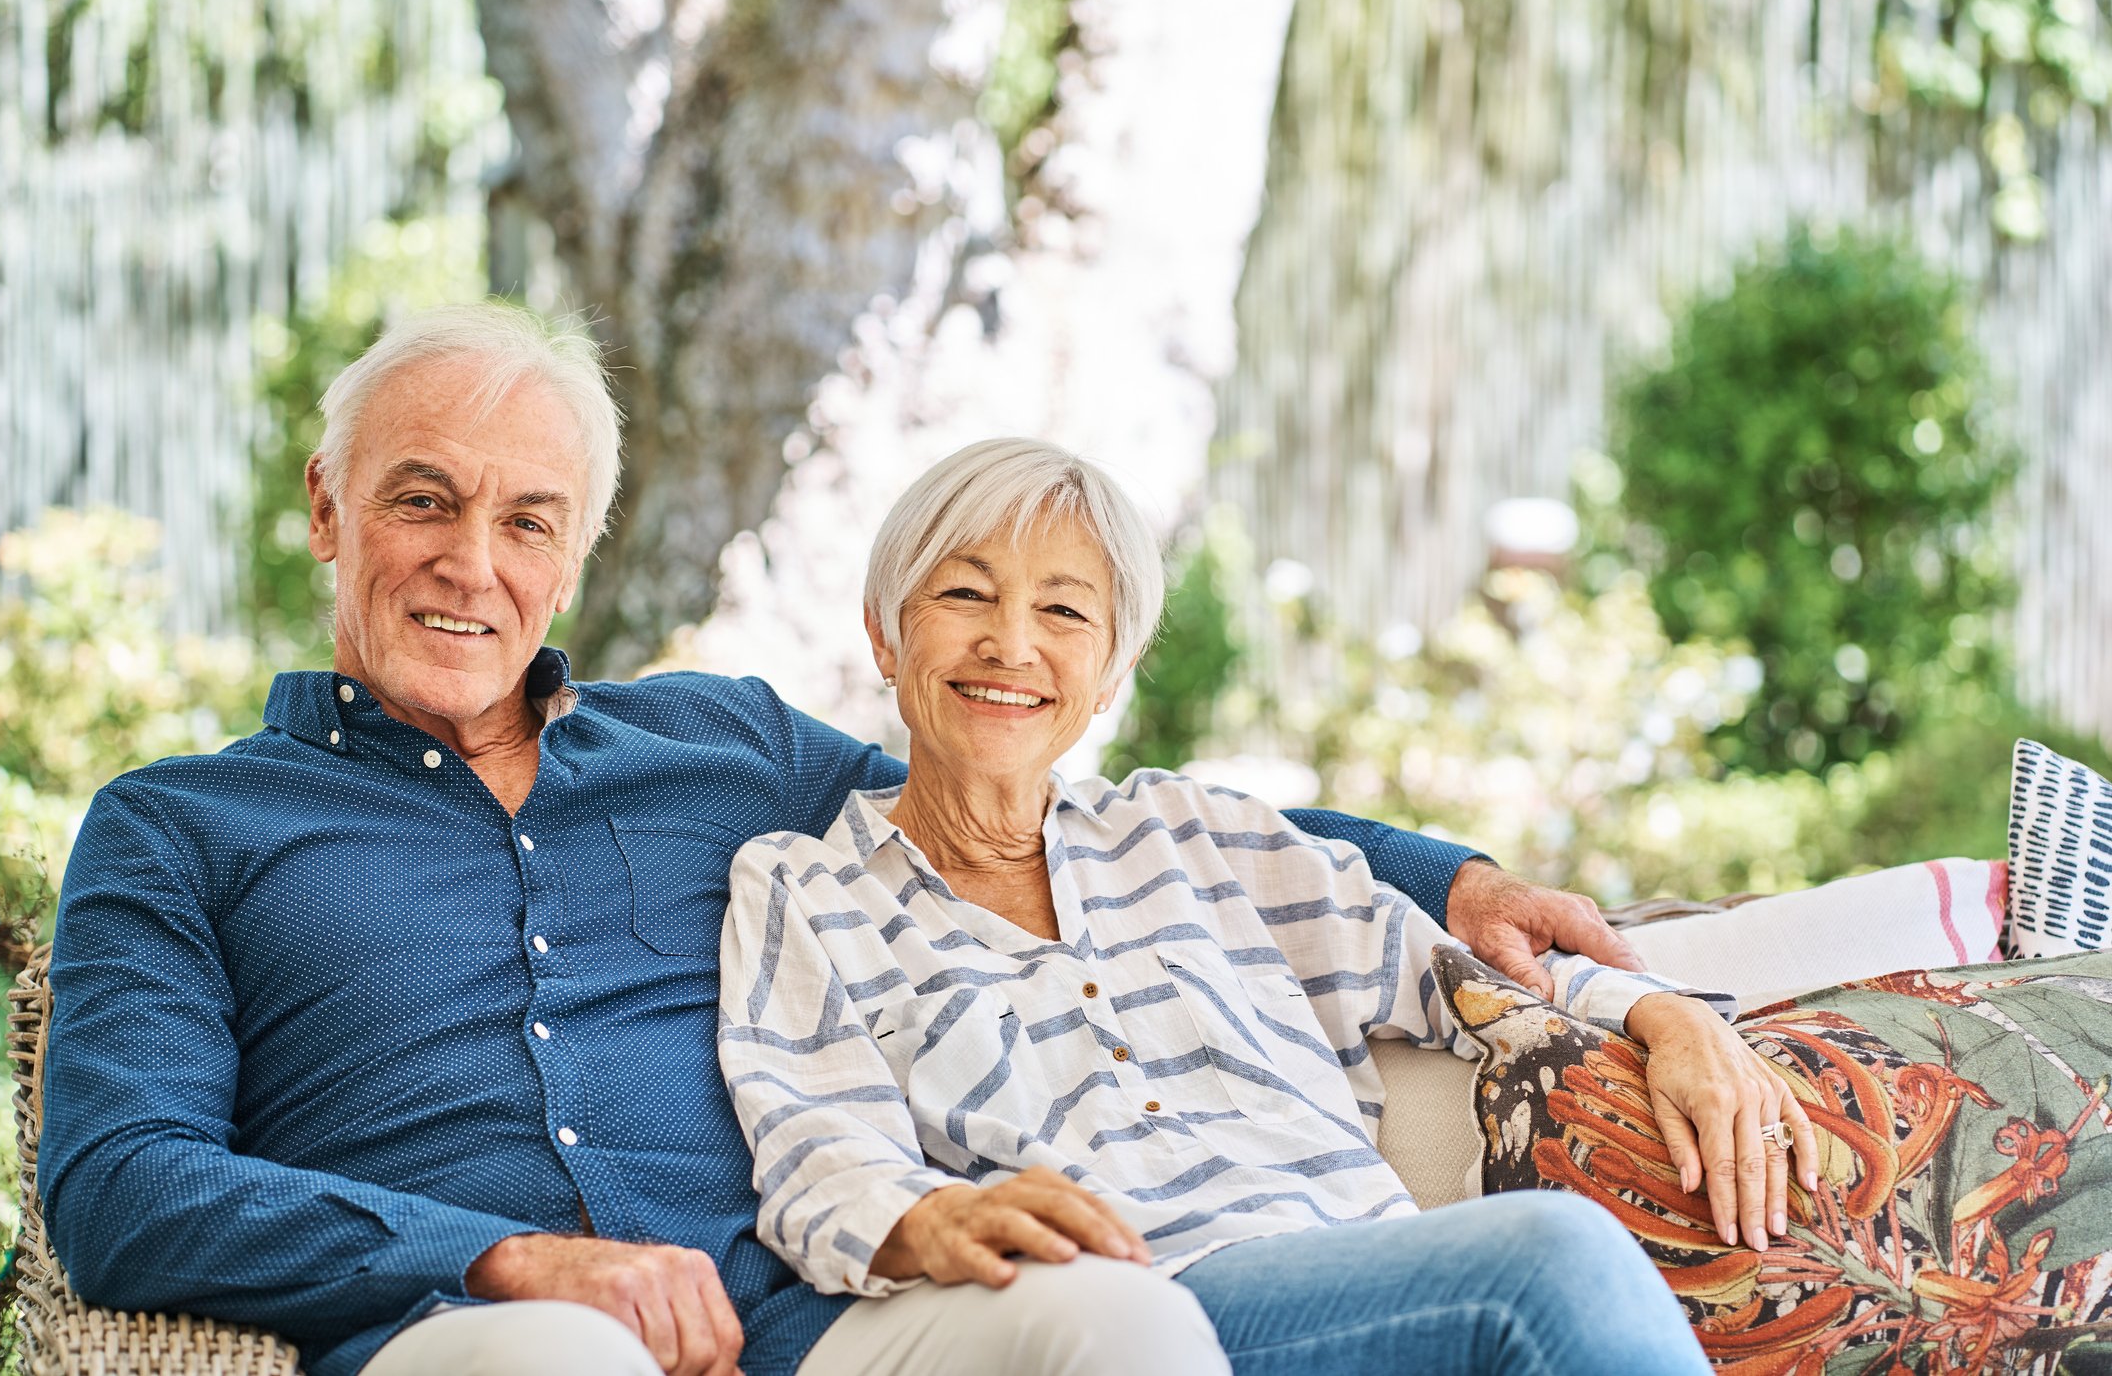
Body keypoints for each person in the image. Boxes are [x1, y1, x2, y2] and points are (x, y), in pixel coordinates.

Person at [40, 303, 1656, 1376]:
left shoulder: (719, 743)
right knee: (568, 1361)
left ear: (577, 552)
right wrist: (511, 1256)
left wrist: (1453, 879)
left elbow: (1019, 781)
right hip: (465, 1326)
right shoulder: (182, 826)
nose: (473, 562)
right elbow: (121, 1180)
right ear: (327, 510)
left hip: (801, 1323)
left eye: (527, 518)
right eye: (421, 500)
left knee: (1122, 1321)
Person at [718, 438, 1825, 1375]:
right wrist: (931, 1220)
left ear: (1109, 674)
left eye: (1064, 610)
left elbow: (1455, 978)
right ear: (883, 631)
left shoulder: (1191, 835)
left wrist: (1666, 1016)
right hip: (1130, 1313)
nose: (1011, 644)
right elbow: (818, 1157)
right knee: (1552, 1259)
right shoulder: (803, 886)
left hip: (1357, 1273)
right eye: (964, 594)